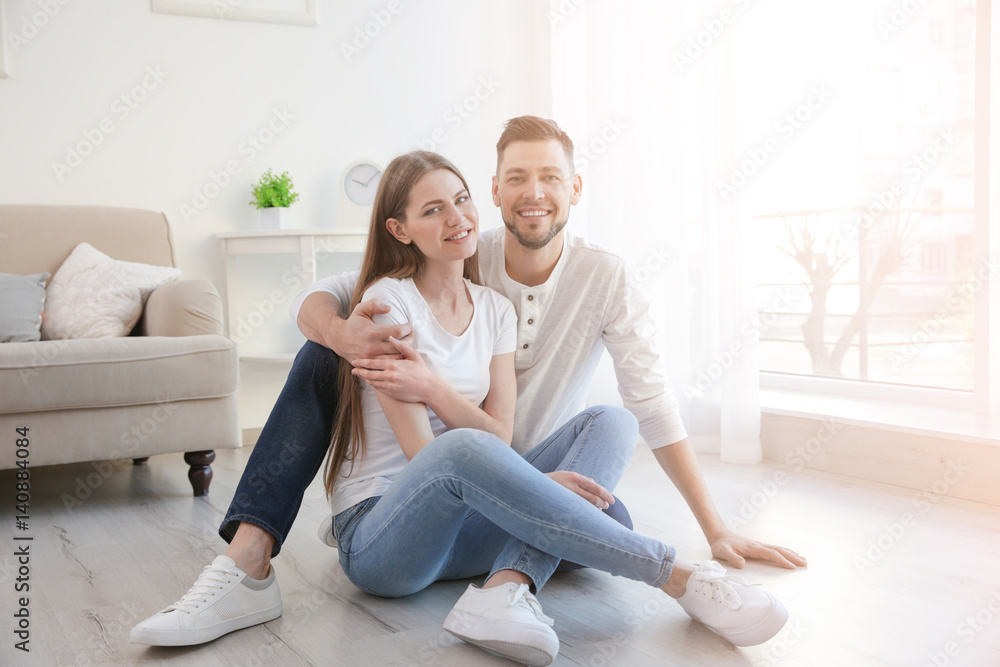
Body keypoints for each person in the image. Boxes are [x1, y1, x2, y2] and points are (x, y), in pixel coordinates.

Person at [132, 117, 806, 657]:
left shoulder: (512, 302)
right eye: (515, 177)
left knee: (613, 429)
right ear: (493, 191)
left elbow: (602, 412)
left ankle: (506, 589)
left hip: (484, 497)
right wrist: (345, 337)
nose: (460, 215)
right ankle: (680, 576)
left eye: (548, 176)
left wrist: (714, 526)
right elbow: (334, 313)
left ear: (575, 188)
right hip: (393, 530)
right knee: (437, 435)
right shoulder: (416, 281)